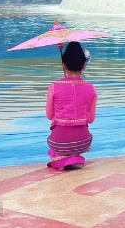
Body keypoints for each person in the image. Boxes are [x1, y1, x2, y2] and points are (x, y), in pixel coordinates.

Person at [45, 41, 96, 170]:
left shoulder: (54, 87)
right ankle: (74, 156)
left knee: (53, 149)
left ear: (64, 66)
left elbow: (50, 116)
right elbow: (91, 119)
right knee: (77, 140)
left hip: (58, 143)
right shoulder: (90, 87)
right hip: (82, 142)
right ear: (84, 65)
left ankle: (62, 158)